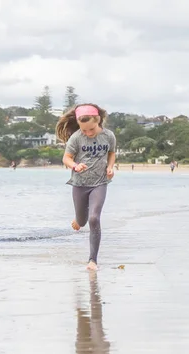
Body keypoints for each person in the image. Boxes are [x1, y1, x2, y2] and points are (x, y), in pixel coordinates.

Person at [56, 103, 116, 271]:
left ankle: (92, 260)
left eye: (91, 129)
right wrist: (75, 166)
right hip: (80, 183)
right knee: (82, 221)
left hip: (100, 182)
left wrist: (110, 167)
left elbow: (111, 153)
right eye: (84, 130)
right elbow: (66, 158)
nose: (88, 133)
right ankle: (78, 219)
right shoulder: (76, 137)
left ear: (98, 121)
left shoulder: (108, 136)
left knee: (94, 218)